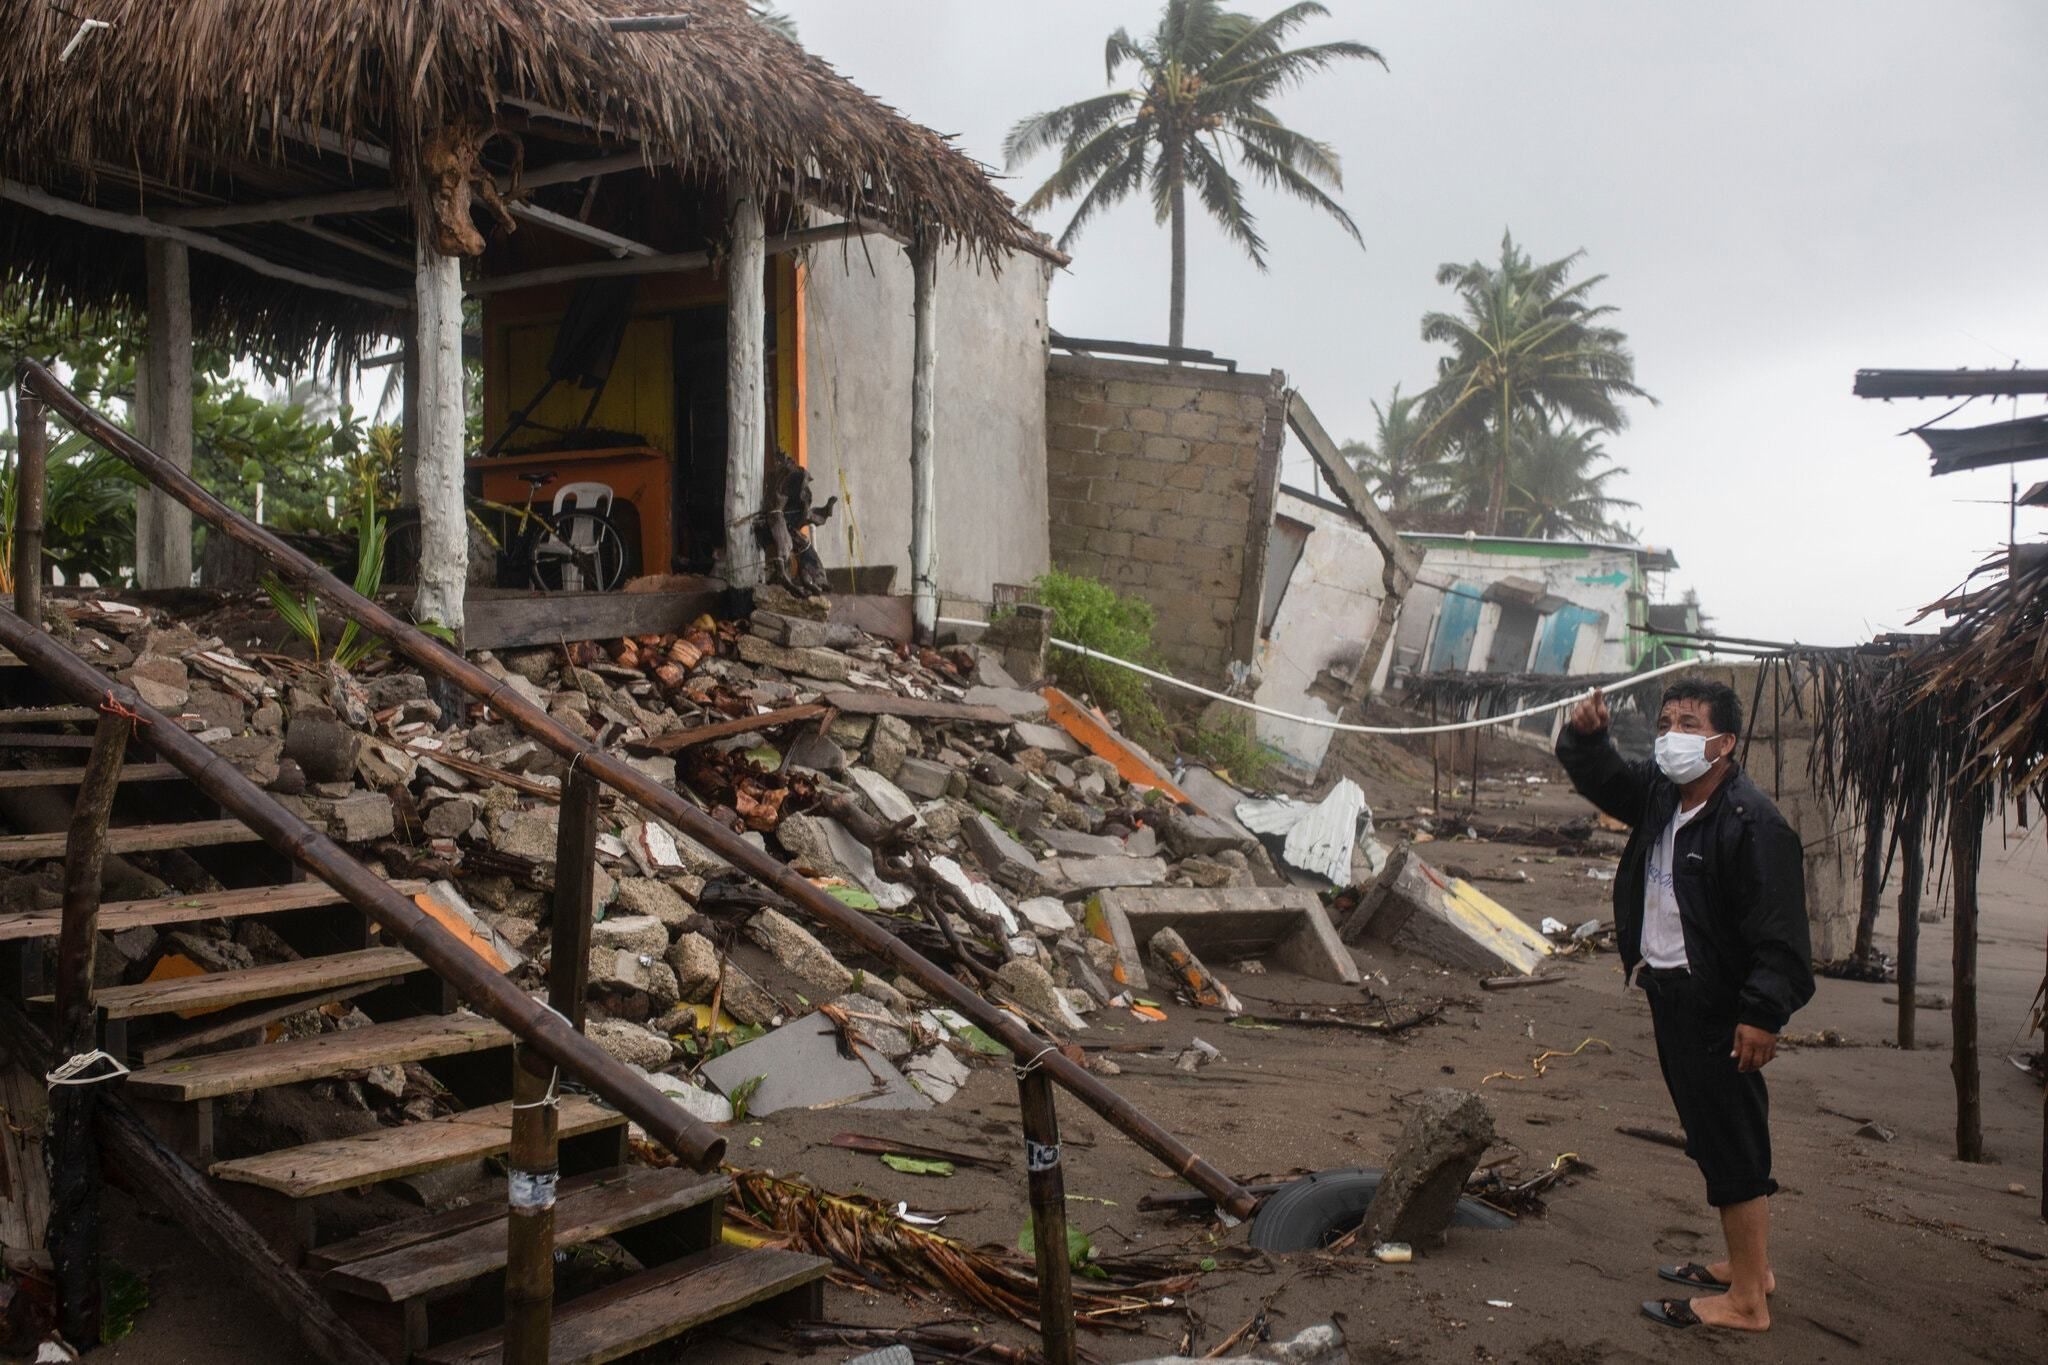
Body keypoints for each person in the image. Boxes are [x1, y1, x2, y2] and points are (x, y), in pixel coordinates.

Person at [1555, 676, 1813, 1333]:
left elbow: (1780, 935)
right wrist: (1588, 737)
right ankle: (1749, 1268)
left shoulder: (1752, 823)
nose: (1673, 735)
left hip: (1719, 1004)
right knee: (1711, 1135)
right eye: (1667, 721)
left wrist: (1761, 1012)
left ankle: (1748, 1301)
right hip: (1668, 989)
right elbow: (1608, 779)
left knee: (1732, 1142)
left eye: (1690, 724)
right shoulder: (1663, 797)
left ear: (1725, 742)